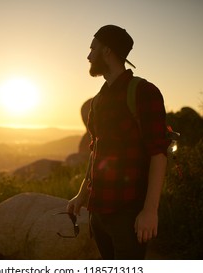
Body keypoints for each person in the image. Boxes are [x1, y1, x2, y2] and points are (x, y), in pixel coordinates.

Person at [67, 25, 170, 259]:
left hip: (129, 214)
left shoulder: (144, 91)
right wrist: (82, 194)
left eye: (93, 48)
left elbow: (158, 153)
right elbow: (97, 152)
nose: (88, 55)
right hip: (98, 212)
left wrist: (150, 211)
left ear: (107, 51)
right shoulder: (98, 100)